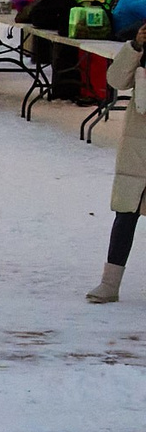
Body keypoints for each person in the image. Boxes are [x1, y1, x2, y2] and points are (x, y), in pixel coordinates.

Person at [82, 19, 145, 303]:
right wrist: (135, 46)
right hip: (138, 145)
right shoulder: (141, 49)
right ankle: (110, 283)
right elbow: (116, 80)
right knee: (125, 213)